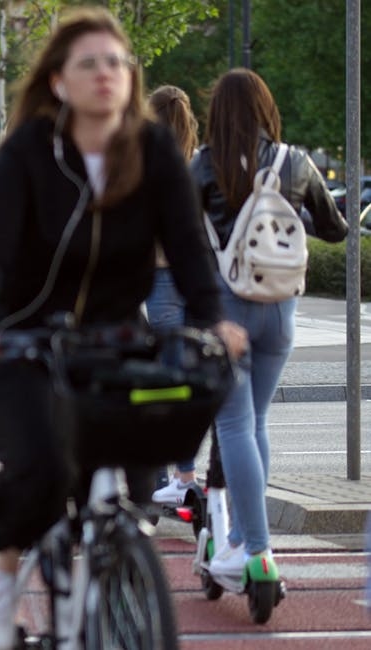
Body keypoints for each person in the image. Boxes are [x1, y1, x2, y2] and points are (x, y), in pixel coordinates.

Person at [0, 8, 248, 649]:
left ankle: (114, 586)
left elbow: (190, 248)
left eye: (116, 62)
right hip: (18, 339)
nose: (106, 74)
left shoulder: (152, 150)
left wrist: (211, 321)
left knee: (138, 474)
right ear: (59, 81)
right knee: (41, 468)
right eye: (89, 63)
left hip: (113, 337)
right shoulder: (29, 152)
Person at [190, 68, 348, 579]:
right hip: (281, 311)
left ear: (217, 112)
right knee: (256, 423)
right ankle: (239, 539)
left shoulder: (204, 165)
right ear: (265, 109)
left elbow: (181, 236)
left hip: (227, 311)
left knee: (233, 424)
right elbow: (334, 229)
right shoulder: (295, 162)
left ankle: (255, 549)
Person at [145, 84, 202, 505]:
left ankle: (164, 476)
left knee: (164, 381)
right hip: (201, 284)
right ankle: (186, 476)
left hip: (161, 280)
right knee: (192, 381)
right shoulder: (201, 166)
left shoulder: (145, 164)